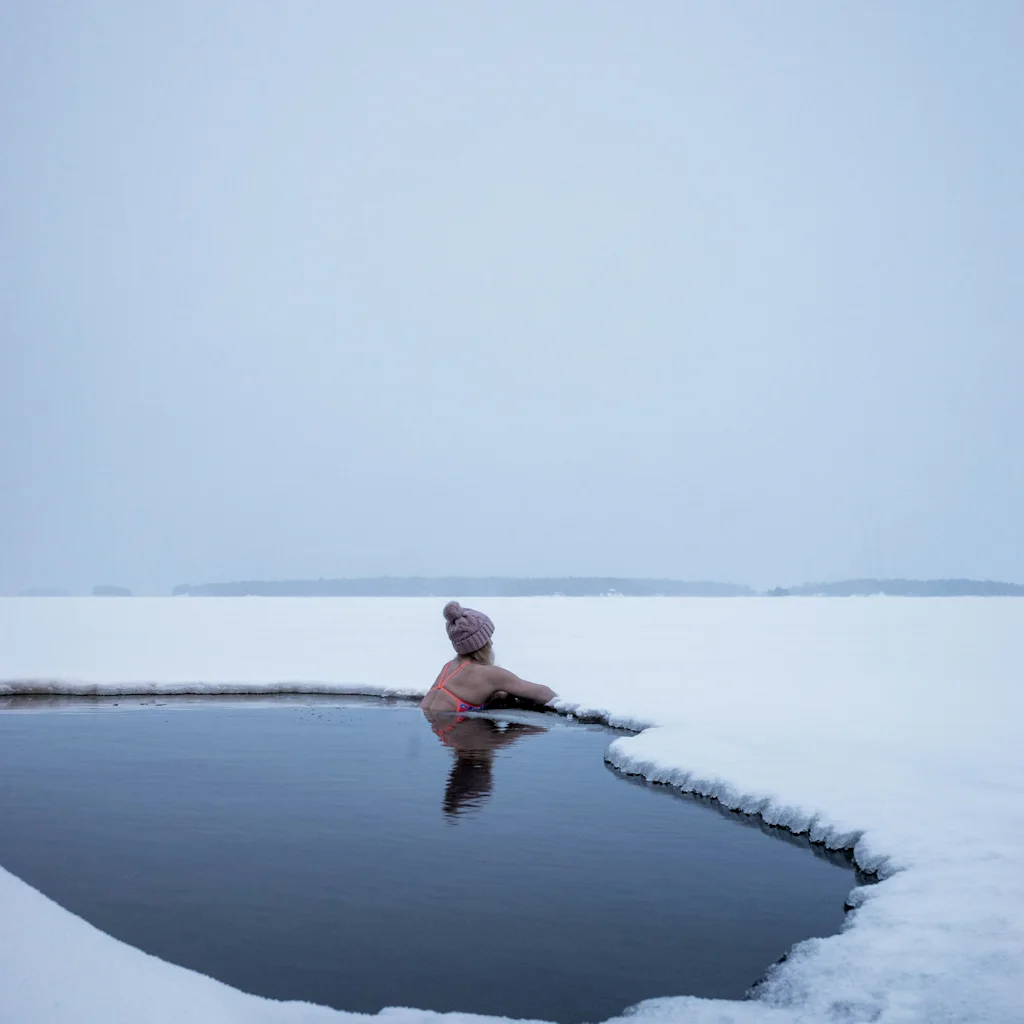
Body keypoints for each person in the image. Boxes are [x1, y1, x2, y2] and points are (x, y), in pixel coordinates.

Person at [419, 601, 556, 714]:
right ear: (482, 644)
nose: (491, 642)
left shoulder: (449, 667)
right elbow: (546, 695)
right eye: (488, 638)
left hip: (434, 727)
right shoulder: (489, 674)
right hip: (457, 729)